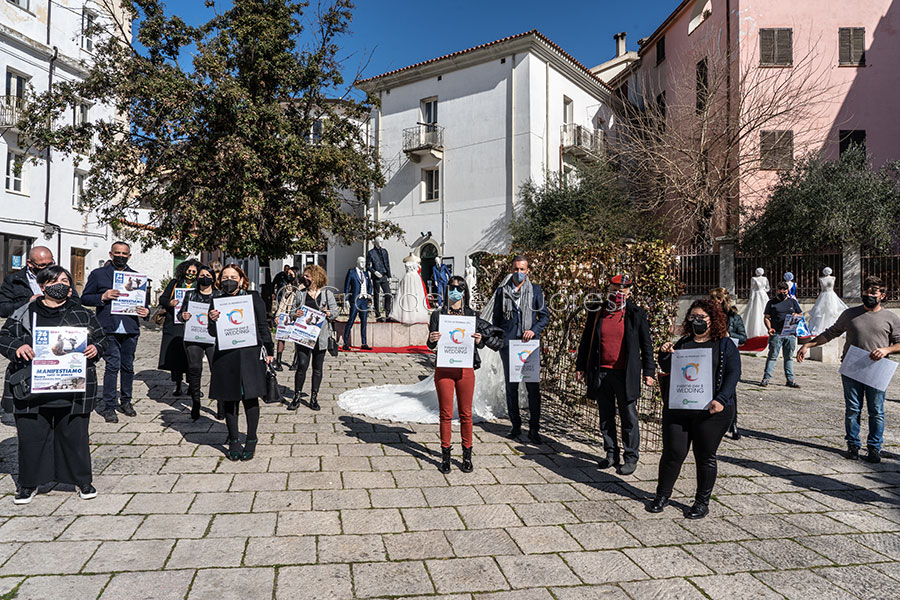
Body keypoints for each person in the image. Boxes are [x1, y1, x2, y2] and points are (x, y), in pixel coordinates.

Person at [0, 266, 108, 504]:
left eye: (65, 281)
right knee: (32, 437)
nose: (60, 284)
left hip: (72, 387)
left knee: (75, 436)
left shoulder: (82, 314)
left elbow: (102, 338)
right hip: (32, 387)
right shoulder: (24, 312)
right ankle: (29, 483)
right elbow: (4, 336)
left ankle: (81, 480)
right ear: (42, 285)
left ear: (70, 288)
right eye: (54, 280)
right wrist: (17, 347)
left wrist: (96, 348)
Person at [648, 299, 741, 519]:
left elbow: (733, 373)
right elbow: (669, 368)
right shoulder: (683, 343)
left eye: (701, 317)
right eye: (693, 317)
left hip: (711, 412)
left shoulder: (724, 344)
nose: (696, 321)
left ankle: (701, 502)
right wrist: (664, 353)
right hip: (679, 409)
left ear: (713, 319)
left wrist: (721, 399)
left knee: (705, 456)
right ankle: (662, 495)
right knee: (672, 453)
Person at [798, 276, 900, 463]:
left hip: (877, 370)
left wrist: (886, 350)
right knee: (852, 409)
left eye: (874, 292)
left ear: (883, 296)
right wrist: (808, 345)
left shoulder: (891, 318)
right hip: (852, 367)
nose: (869, 295)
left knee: (876, 411)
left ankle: (874, 448)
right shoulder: (850, 314)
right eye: (866, 291)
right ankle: (853, 444)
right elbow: (831, 333)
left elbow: (899, 343)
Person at [575, 274, 655, 475]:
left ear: (628, 293)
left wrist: (649, 371)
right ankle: (611, 453)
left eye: (621, 290)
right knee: (605, 415)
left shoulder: (636, 314)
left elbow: (646, 345)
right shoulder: (597, 312)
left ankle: (631, 457)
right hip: (601, 372)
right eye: (613, 289)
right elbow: (586, 340)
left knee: (629, 416)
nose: (617, 293)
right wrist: (580, 366)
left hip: (624, 374)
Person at [427, 276, 503, 473]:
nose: (455, 291)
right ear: (447, 290)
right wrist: (432, 339)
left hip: (465, 369)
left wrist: (479, 341)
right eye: (452, 288)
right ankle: (445, 455)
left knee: (466, 413)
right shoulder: (438, 315)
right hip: (444, 369)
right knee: (445, 414)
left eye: (459, 288)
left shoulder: (471, 315)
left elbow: (480, 343)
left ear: (464, 292)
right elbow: (430, 344)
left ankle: (467, 455)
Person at [207, 264, 274, 461]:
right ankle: (234, 440)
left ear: (242, 279)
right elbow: (212, 332)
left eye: (233, 277)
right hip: (226, 356)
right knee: (229, 398)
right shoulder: (216, 301)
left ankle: (251, 438)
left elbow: (263, 325)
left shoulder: (253, 297)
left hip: (249, 354)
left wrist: (269, 351)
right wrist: (212, 320)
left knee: (250, 397)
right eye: (225, 277)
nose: (229, 281)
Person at [81, 242, 150, 423]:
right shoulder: (98, 274)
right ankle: (109, 406)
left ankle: (126, 401)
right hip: (108, 328)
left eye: (124, 253)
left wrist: (146, 312)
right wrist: (102, 297)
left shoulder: (136, 277)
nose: (121, 256)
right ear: (111, 254)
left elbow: (144, 305)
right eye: (117, 253)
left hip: (130, 329)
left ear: (129, 256)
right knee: (112, 365)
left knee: (128, 366)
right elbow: (85, 298)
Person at [492, 255, 550, 443]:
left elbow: (544, 317)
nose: (519, 272)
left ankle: (534, 429)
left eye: (522, 269)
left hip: (528, 346)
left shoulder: (535, 290)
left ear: (528, 271)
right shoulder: (502, 292)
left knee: (533, 388)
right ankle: (515, 425)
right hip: (509, 345)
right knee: (512, 387)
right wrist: (500, 340)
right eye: (516, 269)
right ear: (511, 270)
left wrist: (533, 330)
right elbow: (496, 319)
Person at [288, 265, 338, 411]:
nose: (305, 278)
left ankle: (314, 397)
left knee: (317, 368)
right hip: (304, 336)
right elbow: (291, 312)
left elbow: (335, 312)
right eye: (304, 276)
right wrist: (295, 314)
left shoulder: (327, 294)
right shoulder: (301, 294)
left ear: (316, 278)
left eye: (308, 276)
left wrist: (328, 313)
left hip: (320, 337)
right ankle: (297, 396)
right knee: (302, 365)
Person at [178, 264, 220, 421]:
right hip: (194, 336)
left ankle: (221, 402)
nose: (205, 278)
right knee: (195, 368)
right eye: (202, 275)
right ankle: (196, 402)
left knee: (217, 369)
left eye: (208, 276)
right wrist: (184, 316)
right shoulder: (190, 295)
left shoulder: (219, 295)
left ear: (213, 278)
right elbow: (180, 314)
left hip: (213, 337)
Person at [0, 246, 80, 317]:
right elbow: (3, 309)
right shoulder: (13, 280)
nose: (47, 268)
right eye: (42, 265)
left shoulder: (62, 277)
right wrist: (28, 301)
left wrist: (64, 298)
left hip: (58, 319)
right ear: (30, 263)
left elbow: (77, 301)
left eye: (50, 264)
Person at [710, 287, 747, 440]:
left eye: (714, 299)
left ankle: (733, 423)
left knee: (730, 389)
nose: (711, 302)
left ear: (720, 300)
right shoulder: (709, 315)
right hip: (712, 353)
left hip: (728, 355)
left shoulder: (733, 317)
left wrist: (729, 334)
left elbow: (743, 338)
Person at [158, 260, 198, 397]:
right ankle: (178, 384)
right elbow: (162, 299)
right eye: (189, 271)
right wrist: (170, 302)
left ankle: (192, 385)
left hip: (193, 324)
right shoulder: (175, 283)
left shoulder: (199, 285)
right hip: (175, 324)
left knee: (192, 355)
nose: (191, 274)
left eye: (194, 272)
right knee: (176, 355)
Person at [760, 281, 803, 388]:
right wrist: (769, 328)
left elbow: (800, 315)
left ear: (788, 291)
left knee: (788, 357)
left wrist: (796, 315)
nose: (783, 292)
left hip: (790, 334)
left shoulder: (792, 302)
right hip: (777, 333)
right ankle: (766, 379)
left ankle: (790, 380)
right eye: (781, 290)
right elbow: (766, 317)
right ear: (777, 290)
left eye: (785, 290)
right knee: (772, 357)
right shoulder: (771, 303)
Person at [389, 254, 431, 324]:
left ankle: (416, 315)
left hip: (415, 278)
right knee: (405, 295)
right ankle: (405, 315)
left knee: (416, 295)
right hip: (407, 278)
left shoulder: (418, 259)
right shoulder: (405, 259)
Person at [807, 267, 848, 336]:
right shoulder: (821, 279)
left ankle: (834, 328)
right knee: (822, 312)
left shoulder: (833, 278)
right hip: (823, 296)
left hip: (832, 296)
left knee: (832, 311)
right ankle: (821, 328)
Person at [343, 257, 373, 351]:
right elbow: (347, 286)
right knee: (351, 320)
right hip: (355, 300)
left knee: (364, 321)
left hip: (364, 300)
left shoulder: (365, 273)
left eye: (364, 262)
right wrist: (346, 299)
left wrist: (369, 293)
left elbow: (369, 285)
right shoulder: (352, 272)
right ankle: (345, 343)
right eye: (361, 262)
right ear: (357, 262)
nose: (363, 264)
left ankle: (364, 343)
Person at [272, 272, 299, 371]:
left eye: (291, 274)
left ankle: (295, 362)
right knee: (281, 337)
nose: (289, 276)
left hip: (296, 315)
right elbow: (283, 302)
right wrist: (278, 315)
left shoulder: (301, 288)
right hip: (285, 314)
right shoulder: (287, 287)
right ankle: (278, 361)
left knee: (297, 339)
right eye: (288, 274)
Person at [367, 238, 393, 322]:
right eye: (380, 241)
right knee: (377, 296)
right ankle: (378, 315)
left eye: (382, 241)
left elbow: (387, 264)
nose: (381, 243)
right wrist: (374, 272)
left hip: (384, 275)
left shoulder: (384, 251)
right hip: (376, 277)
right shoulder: (371, 253)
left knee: (388, 294)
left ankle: (387, 313)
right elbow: (367, 266)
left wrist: (389, 276)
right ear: (375, 242)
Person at [743, 268, 770, 339]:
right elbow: (768, 288)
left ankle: (755, 330)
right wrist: (763, 290)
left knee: (756, 310)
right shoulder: (765, 278)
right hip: (763, 294)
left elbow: (752, 289)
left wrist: (751, 297)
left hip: (756, 295)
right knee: (763, 309)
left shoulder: (753, 278)